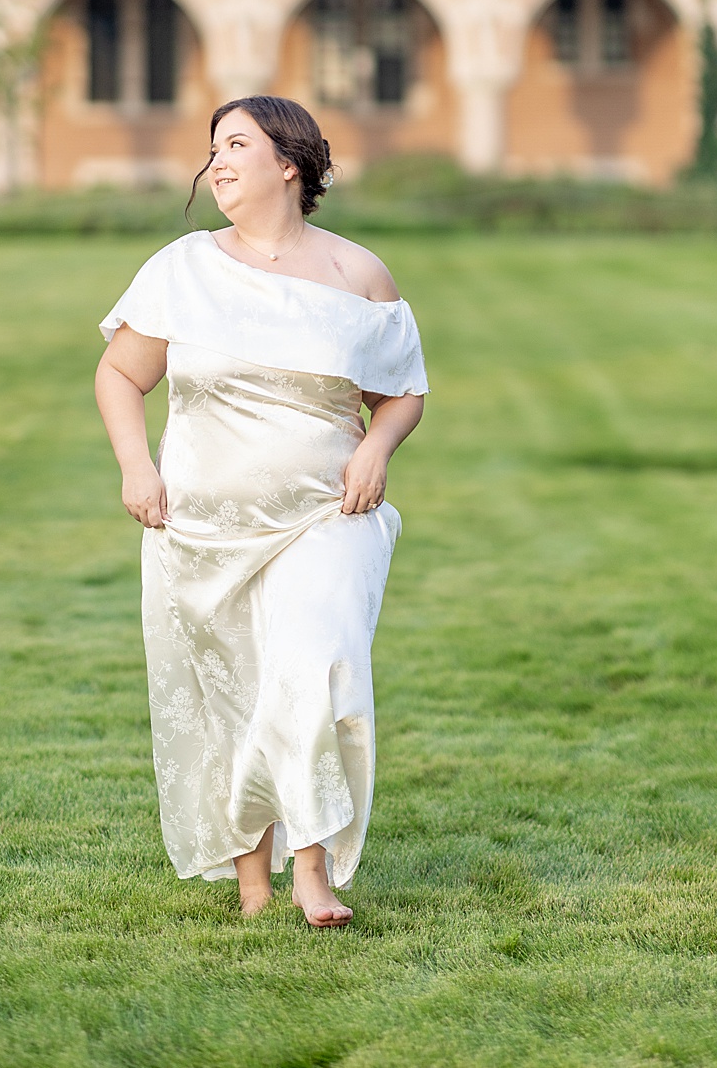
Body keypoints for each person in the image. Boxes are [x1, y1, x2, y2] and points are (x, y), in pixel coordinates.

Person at [93, 96, 427, 927]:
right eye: (212, 150)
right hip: (202, 525)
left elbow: (403, 393)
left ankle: (311, 868)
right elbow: (118, 375)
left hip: (327, 515)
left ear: (290, 162)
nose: (217, 162)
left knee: (313, 664)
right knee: (236, 694)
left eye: (237, 143)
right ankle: (252, 881)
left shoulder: (359, 274)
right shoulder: (183, 268)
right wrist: (138, 466)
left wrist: (375, 449)